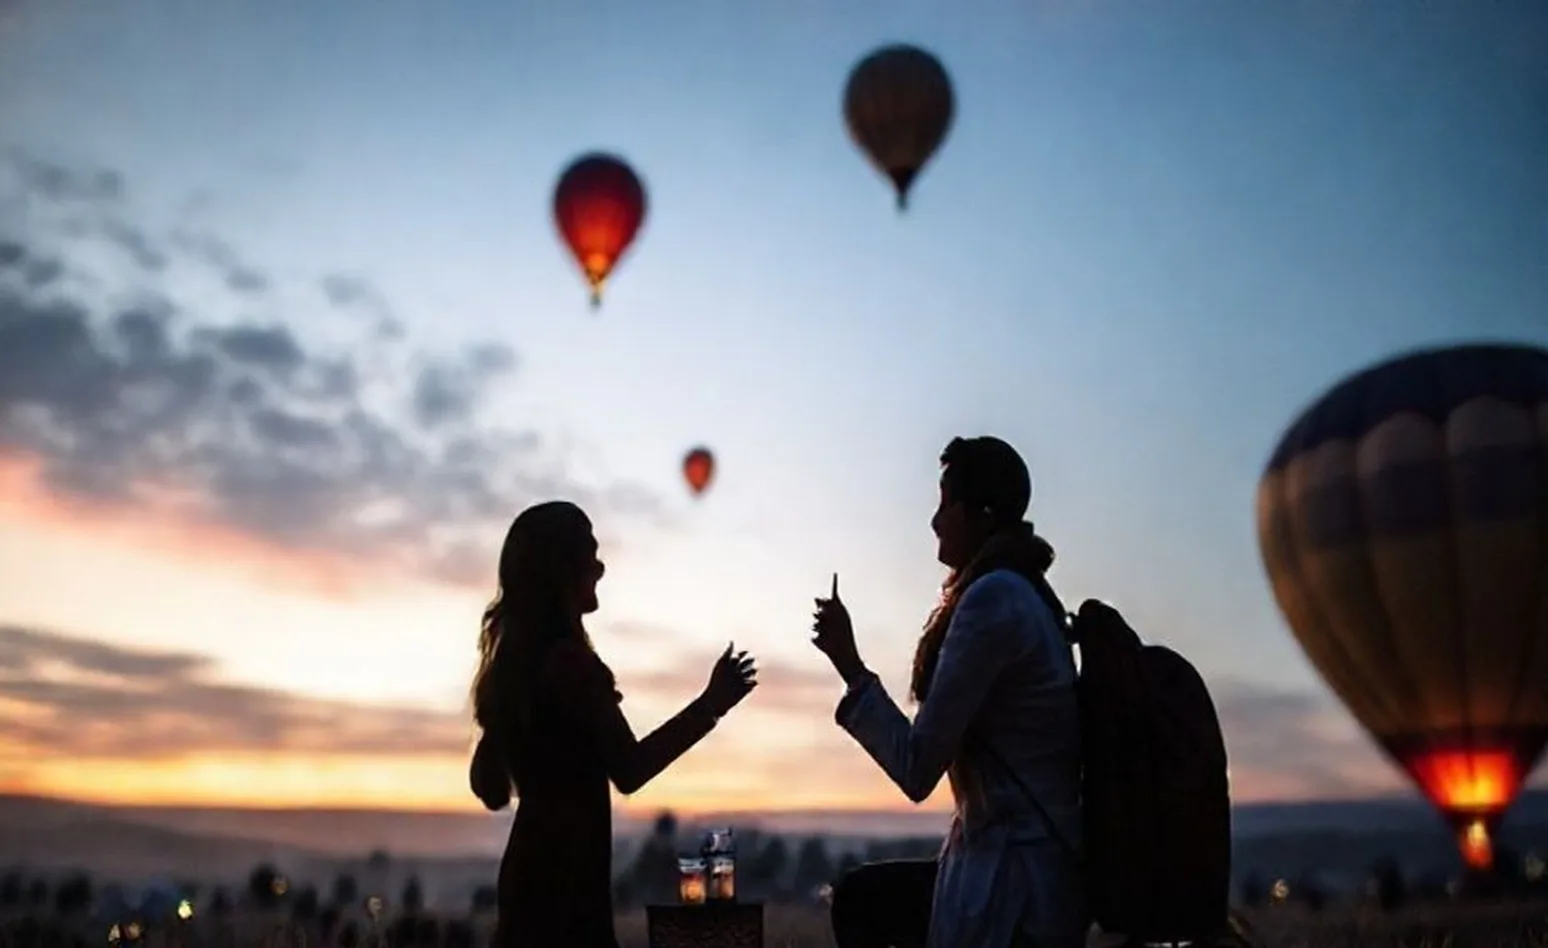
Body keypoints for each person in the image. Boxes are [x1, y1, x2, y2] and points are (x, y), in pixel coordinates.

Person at [812, 436, 1085, 948]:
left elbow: (916, 767)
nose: (934, 522)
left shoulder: (993, 600)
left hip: (1015, 887)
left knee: (860, 900)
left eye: (944, 504)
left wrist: (850, 666)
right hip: (1033, 867)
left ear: (980, 514)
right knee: (865, 896)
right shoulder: (1025, 594)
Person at [469, 500, 758, 948]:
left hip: (529, 880)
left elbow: (489, 789)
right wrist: (711, 705)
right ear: (561, 568)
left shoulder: (520, 668)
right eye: (590, 553)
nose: (600, 567)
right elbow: (630, 769)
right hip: (568, 887)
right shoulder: (571, 664)